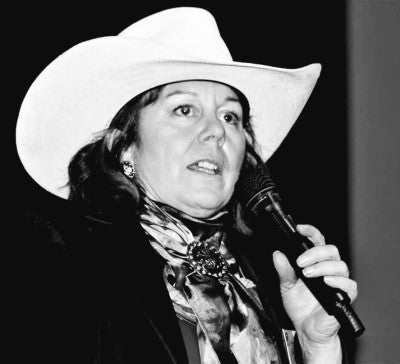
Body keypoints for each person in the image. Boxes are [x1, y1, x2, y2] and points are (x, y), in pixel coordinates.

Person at [13, 7, 357, 364]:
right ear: (123, 146)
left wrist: (316, 348)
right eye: (184, 110)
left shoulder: (268, 283)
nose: (217, 130)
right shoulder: (59, 253)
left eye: (230, 116)